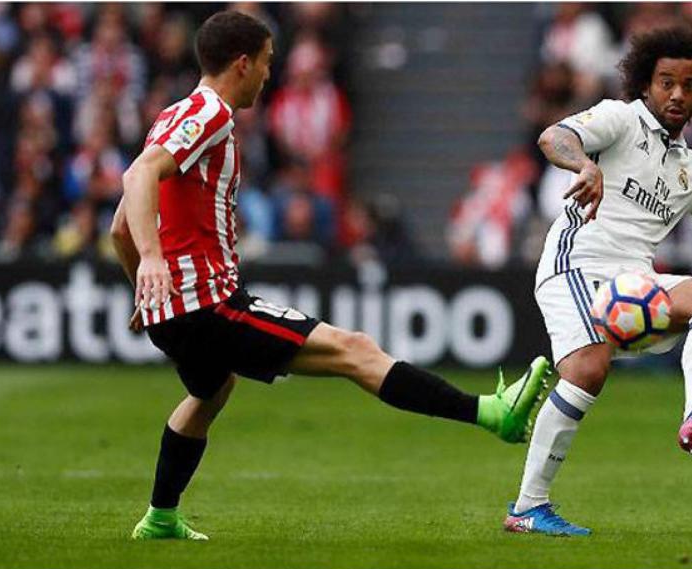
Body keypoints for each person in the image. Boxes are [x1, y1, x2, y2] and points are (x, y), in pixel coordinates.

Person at [109, 11, 550, 541]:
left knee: (212, 389)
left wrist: (144, 284)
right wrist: (154, 262)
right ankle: (492, 414)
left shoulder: (170, 115)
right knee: (353, 349)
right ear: (242, 64)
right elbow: (138, 176)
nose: (270, 76)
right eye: (268, 64)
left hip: (173, 309)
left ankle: (160, 517)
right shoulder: (211, 113)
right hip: (205, 302)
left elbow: (118, 228)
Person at [503, 27, 692, 536]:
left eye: (689, 86)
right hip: (577, 262)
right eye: (666, 82)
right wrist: (584, 164)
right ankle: (527, 508)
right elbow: (553, 137)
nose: (677, 94)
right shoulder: (619, 118)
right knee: (588, 370)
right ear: (646, 85)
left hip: (633, 280)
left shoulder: (690, 169)